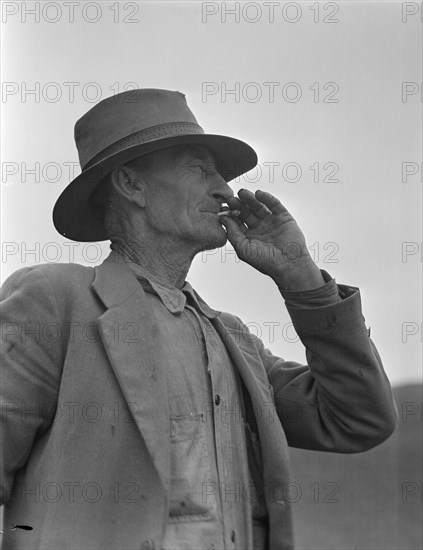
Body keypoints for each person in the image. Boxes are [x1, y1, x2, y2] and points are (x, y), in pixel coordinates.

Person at [0, 89, 397, 550]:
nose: (225, 190)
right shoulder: (55, 301)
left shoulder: (233, 341)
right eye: (199, 168)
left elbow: (357, 417)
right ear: (132, 185)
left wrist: (301, 276)